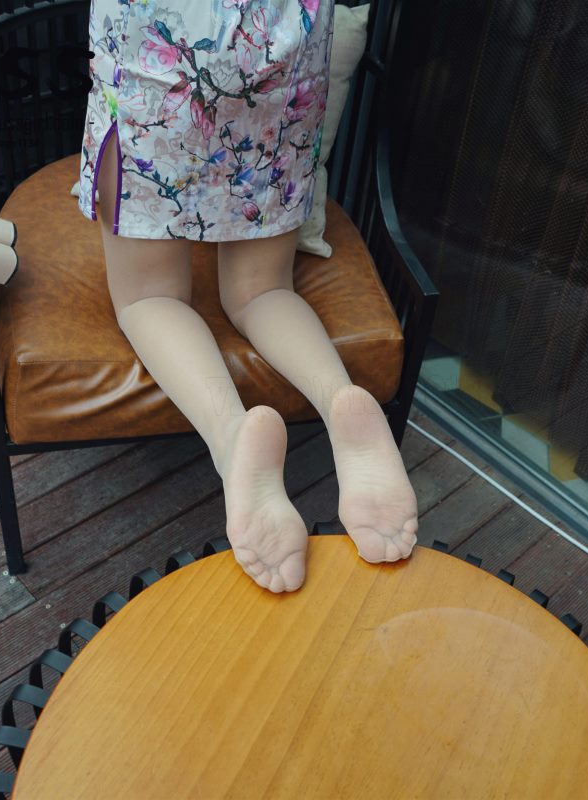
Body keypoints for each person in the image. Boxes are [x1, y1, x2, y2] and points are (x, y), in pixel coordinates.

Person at [76, 0, 418, 593]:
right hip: (280, 44)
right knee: (261, 289)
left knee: (149, 298)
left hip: (163, 51)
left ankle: (234, 437)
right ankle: (341, 401)